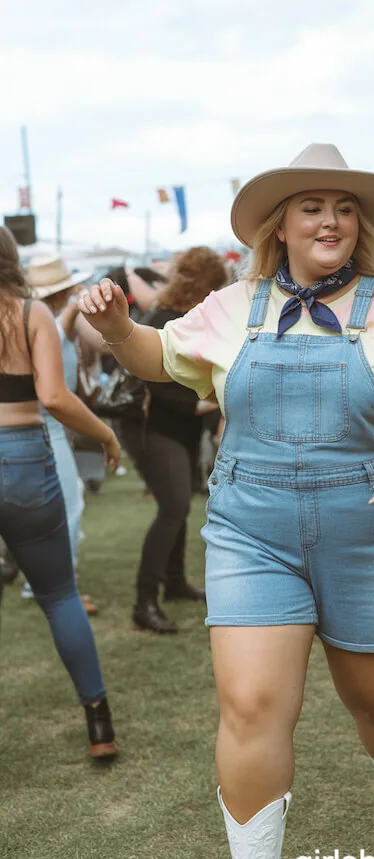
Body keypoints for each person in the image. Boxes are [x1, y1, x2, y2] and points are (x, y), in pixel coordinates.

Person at [79, 143, 374, 859]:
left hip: (368, 527)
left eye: (344, 206)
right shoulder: (236, 303)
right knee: (253, 704)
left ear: (360, 224)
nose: (331, 219)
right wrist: (119, 329)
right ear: (281, 223)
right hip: (251, 531)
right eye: (312, 205)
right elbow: (160, 358)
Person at [0, 226, 120, 760]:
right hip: (25, 456)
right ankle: (100, 727)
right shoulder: (32, 314)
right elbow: (53, 396)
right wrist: (106, 432)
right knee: (58, 596)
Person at [123, 247, 227, 634]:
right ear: (202, 285)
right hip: (150, 426)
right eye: (215, 286)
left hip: (176, 426)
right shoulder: (162, 318)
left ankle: (176, 582)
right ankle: (144, 601)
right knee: (173, 507)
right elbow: (158, 382)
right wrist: (208, 401)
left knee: (178, 506)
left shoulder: (186, 316)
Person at [27, 254, 113, 614]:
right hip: (50, 426)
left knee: (49, 510)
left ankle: (43, 584)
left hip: (42, 424)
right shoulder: (50, 321)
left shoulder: (32, 318)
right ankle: (63, 589)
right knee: (68, 507)